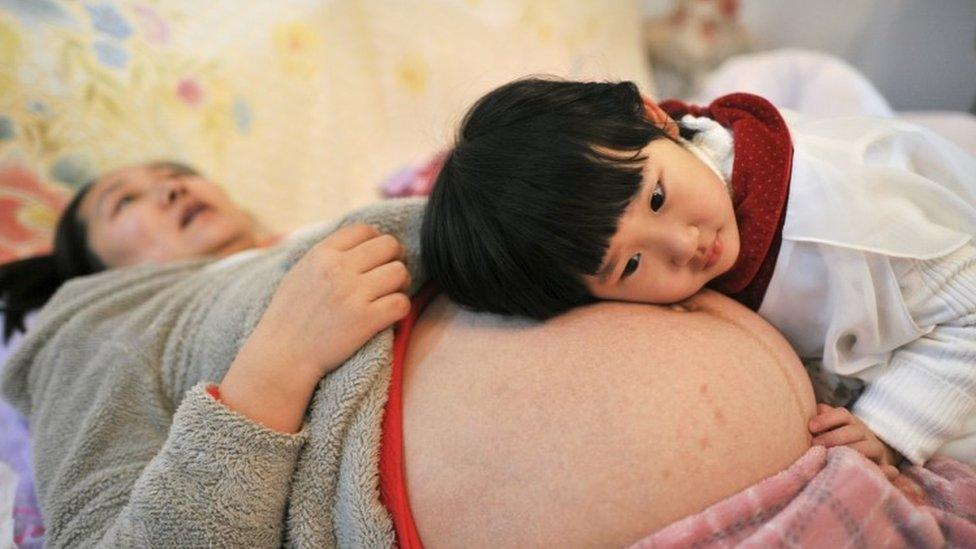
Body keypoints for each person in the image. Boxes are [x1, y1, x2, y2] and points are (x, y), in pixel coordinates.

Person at [421, 77, 976, 468]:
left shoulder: (834, 224)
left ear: (655, 118)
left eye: (657, 198)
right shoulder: (643, 160)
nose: (685, 245)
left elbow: (969, 305)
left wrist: (890, 427)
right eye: (631, 265)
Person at [0, 159, 411, 432]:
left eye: (174, 174)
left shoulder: (323, 232)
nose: (172, 189)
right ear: (104, 273)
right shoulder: (113, 333)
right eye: (125, 201)